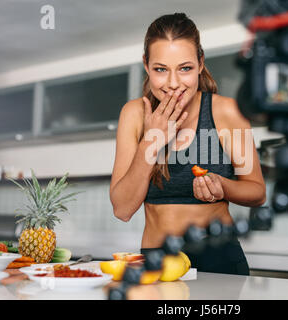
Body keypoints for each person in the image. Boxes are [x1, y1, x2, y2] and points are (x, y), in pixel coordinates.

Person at [110, 13, 266, 276]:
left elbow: (257, 192)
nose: (173, 83)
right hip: (157, 259)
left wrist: (222, 186)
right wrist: (152, 140)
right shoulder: (134, 114)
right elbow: (122, 209)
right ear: (146, 65)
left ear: (200, 63)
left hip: (219, 257)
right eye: (161, 69)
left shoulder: (228, 112)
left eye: (185, 68)